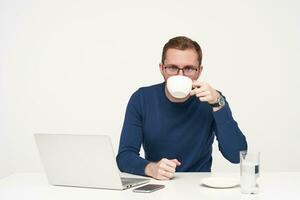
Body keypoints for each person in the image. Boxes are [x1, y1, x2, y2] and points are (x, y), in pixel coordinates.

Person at [116, 36, 247, 180]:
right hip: (159, 184)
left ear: (199, 71)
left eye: (189, 69)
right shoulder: (142, 98)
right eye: (172, 68)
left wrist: (218, 104)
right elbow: (124, 156)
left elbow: (236, 155)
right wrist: (151, 168)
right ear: (162, 69)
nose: (180, 75)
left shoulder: (212, 99)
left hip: (199, 185)